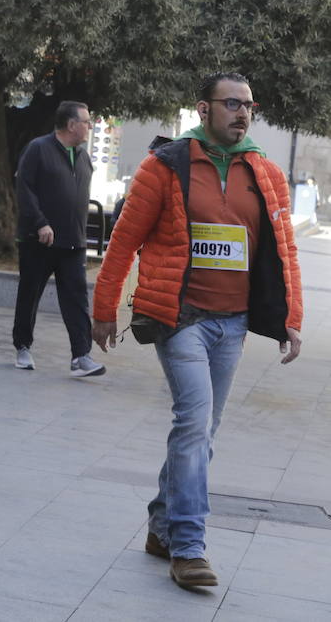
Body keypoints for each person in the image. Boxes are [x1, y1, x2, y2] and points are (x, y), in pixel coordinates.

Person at [92, 73, 303, 590]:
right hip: (179, 316)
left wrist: (291, 318)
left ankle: (162, 526)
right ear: (203, 109)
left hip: (232, 323)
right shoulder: (166, 166)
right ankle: (188, 546)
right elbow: (123, 241)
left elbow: (284, 249)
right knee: (193, 422)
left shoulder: (266, 173)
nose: (242, 113)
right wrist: (103, 308)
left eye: (249, 105)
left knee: (202, 432)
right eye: (231, 103)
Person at [12, 101, 105, 377]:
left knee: (77, 298)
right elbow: (24, 189)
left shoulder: (83, 156)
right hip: (39, 240)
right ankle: (22, 347)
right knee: (29, 294)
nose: (90, 126)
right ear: (71, 124)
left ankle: (81, 356)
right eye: (87, 121)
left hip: (73, 242)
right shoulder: (38, 149)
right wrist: (40, 222)